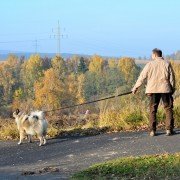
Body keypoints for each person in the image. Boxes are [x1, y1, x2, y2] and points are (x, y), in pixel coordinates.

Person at [132, 48, 175, 136]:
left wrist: (135, 88)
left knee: (153, 110)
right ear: (161, 55)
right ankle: (169, 129)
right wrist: (172, 89)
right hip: (165, 89)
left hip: (153, 90)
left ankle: (152, 131)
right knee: (168, 109)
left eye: (152, 55)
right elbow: (172, 79)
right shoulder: (167, 64)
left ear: (154, 55)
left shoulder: (149, 64)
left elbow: (142, 77)